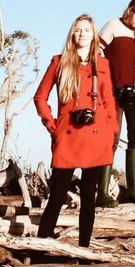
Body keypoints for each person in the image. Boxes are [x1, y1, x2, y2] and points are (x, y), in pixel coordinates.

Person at [33, 15, 118, 246]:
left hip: (96, 136)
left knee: (89, 198)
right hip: (68, 136)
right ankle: (42, 245)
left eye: (87, 30)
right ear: (72, 34)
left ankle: (84, 248)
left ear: (94, 35)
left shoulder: (102, 64)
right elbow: (40, 97)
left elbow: (108, 99)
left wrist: (112, 129)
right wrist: (53, 126)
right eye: (78, 30)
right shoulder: (59, 62)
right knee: (57, 196)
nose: (82, 34)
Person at [99, 0, 135, 204]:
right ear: (130, 11)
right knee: (110, 138)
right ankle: (102, 192)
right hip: (113, 91)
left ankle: (132, 189)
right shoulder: (113, 25)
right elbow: (97, 50)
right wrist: (106, 81)